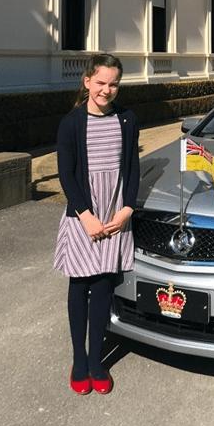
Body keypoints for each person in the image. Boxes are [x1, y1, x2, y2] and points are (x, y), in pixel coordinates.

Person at [53, 53, 140, 395]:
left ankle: (96, 360)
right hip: (83, 214)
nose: (107, 90)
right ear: (87, 81)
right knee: (80, 286)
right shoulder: (72, 123)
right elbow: (67, 174)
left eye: (113, 84)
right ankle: (79, 358)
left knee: (104, 285)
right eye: (101, 82)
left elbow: (132, 169)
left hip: (115, 214)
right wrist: (85, 216)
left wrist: (127, 210)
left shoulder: (127, 120)